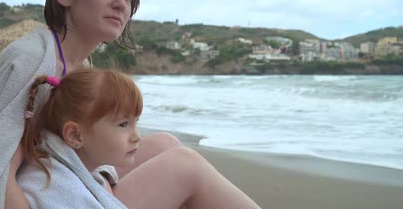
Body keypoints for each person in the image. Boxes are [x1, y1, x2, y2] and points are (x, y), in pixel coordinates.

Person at [0, 0, 261, 208]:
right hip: (40, 196)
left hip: (60, 175)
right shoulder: (30, 60)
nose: (121, 3)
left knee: (165, 143)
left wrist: (104, 174)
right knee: (186, 166)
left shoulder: (78, 63)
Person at [16, 67, 261, 208]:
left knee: (167, 142)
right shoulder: (49, 186)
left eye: (136, 122)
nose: (137, 136)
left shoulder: (68, 160)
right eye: (124, 124)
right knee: (186, 162)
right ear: (74, 135)